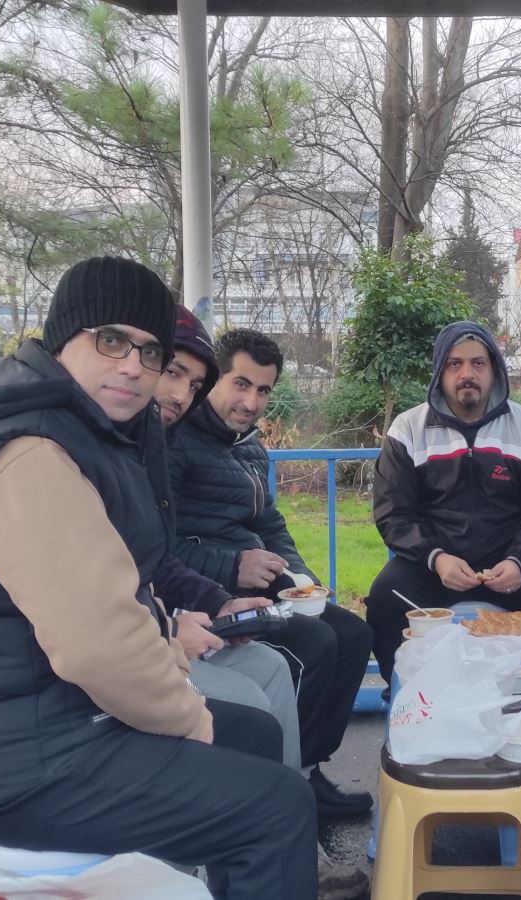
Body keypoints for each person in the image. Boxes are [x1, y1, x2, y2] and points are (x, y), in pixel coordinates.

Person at [0, 256, 316, 899]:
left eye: (150, 351)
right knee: (277, 809)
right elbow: (96, 643)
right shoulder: (28, 453)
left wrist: (180, 673)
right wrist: (189, 717)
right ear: (62, 339)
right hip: (23, 767)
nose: (133, 365)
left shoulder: (85, 432)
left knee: (257, 735)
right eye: (111, 340)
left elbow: (130, 590)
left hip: (72, 723)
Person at [156, 310, 370, 899]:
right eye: (241, 385)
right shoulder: (172, 441)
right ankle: (281, 800)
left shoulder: (247, 445)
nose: (251, 403)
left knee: (352, 634)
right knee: (311, 646)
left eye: (264, 391)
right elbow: (160, 548)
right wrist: (231, 568)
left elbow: (269, 523)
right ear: (213, 381)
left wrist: (303, 578)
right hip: (203, 591)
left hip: (257, 578)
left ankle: (307, 771)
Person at [365, 321, 521, 703]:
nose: (467, 374)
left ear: (494, 369)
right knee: (384, 597)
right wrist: (436, 558)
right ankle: (406, 696)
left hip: (513, 567)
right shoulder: (408, 429)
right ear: (439, 372)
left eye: (478, 363)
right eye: (455, 364)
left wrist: (519, 562)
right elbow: (394, 513)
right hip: (433, 568)